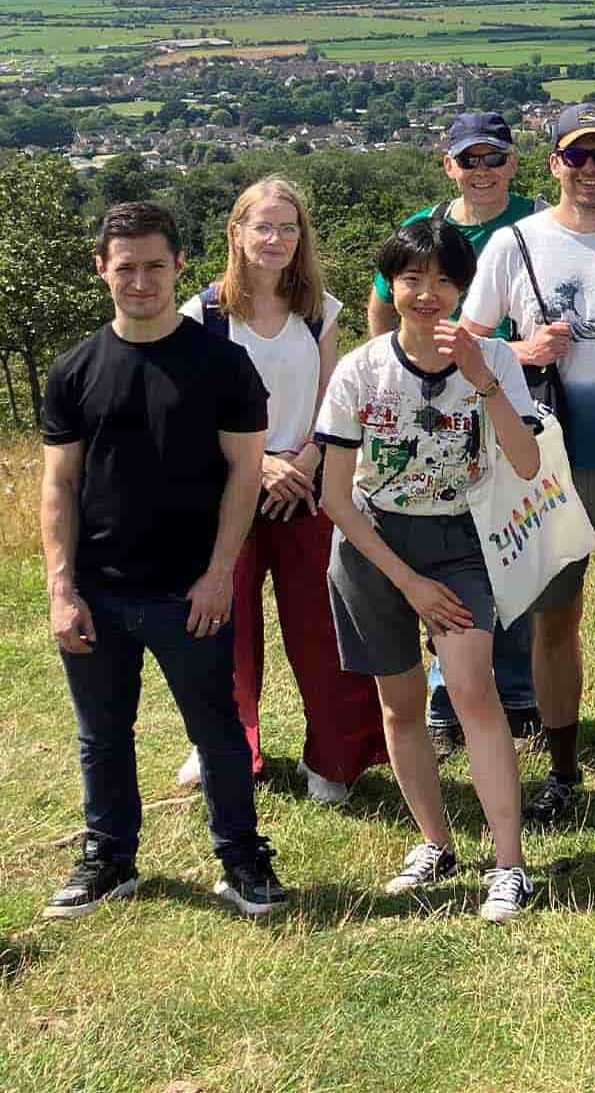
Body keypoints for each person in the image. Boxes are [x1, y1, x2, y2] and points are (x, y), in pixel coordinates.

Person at [41, 200, 289, 919]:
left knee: (217, 733)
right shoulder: (76, 368)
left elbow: (246, 473)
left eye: (155, 266)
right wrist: (62, 588)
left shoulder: (222, 363)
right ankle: (110, 857)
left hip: (191, 591)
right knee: (101, 734)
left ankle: (241, 858)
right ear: (101, 271)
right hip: (97, 590)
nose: (141, 281)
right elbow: (58, 482)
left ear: (181, 266)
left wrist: (218, 575)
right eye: (126, 268)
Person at [460, 103, 595, 826]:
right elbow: (463, 344)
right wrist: (520, 354)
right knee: (553, 624)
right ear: (553, 162)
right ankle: (561, 771)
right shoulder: (513, 244)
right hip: (543, 469)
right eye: (575, 156)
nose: (590, 170)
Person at [317, 217, 542, 922]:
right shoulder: (363, 367)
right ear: (392, 284)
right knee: (400, 702)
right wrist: (407, 583)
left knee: (475, 694)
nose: (428, 294)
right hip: (372, 544)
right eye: (413, 279)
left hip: (461, 539)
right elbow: (333, 495)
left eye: (445, 280)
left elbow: (529, 464)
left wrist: (482, 382)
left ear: (463, 288)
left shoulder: (494, 360)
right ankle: (436, 843)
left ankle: (510, 864)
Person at [174, 177, 387, 806]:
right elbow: (192, 414)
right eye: (262, 226)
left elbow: (332, 401)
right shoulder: (204, 315)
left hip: (307, 489)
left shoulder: (320, 308)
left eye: (288, 228)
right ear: (236, 232)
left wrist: (305, 459)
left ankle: (336, 752)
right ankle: (227, 745)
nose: (276, 240)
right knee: (225, 624)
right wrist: (260, 462)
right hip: (227, 493)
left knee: (322, 627)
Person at [370, 111, 545, 755]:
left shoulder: (537, 224)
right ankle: (449, 700)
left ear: (512, 164)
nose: (480, 171)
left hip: (514, 406)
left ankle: (518, 697)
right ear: (449, 165)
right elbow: (385, 299)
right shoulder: (426, 229)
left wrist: (511, 358)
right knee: (448, 559)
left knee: (514, 552)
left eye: (492, 158)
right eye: (468, 159)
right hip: (431, 418)